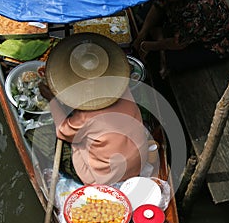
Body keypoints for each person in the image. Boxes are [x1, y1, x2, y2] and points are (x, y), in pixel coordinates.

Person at [31, 33, 148, 185]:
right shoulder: (121, 88)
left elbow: (62, 131)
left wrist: (51, 99)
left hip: (105, 177)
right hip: (138, 161)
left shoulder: (88, 115)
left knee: (36, 134)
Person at [133, 0, 229, 78]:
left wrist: (147, 46)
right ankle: (159, 37)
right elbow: (158, 5)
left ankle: (160, 44)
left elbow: (178, 43)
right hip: (183, 22)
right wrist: (142, 33)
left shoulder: (199, 10)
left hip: (209, 43)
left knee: (171, 60)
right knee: (145, 12)